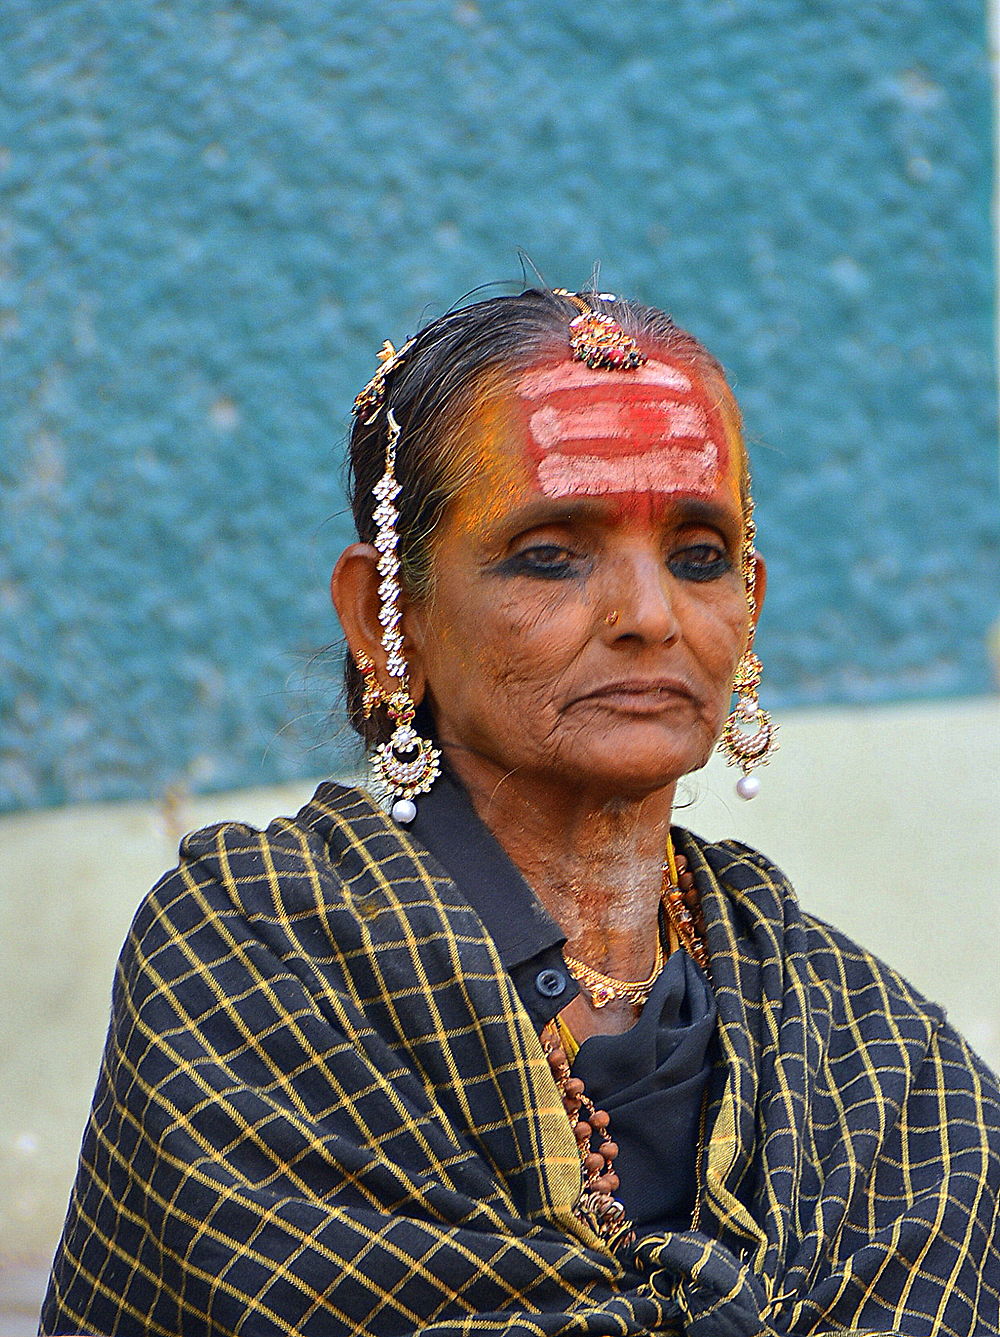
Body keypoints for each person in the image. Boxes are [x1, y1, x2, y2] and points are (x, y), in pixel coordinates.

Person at [41, 288, 1000, 1337]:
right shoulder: (252, 952)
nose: (647, 616)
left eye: (697, 555)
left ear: (749, 602)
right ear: (384, 612)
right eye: (550, 554)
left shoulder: (859, 1030)